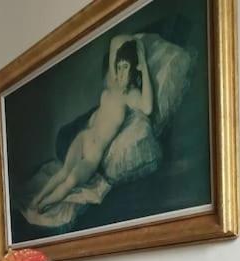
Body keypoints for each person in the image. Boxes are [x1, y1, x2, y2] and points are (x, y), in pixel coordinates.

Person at [30, 34, 154, 214]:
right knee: (63, 172)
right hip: (85, 136)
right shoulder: (113, 84)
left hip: (94, 153)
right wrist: (133, 40)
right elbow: (113, 41)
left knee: (71, 180)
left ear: (134, 69)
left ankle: (42, 205)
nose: (120, 72)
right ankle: (36, 198)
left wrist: (142, 60)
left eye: (125, 67)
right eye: (118, 67)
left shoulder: (132, 95)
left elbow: (148, 108)